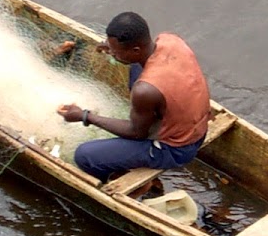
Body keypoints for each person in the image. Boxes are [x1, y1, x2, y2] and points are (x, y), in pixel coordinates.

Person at [58, 12, 211, 181]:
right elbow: (138, 61)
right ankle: (146, 117)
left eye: (115, 52)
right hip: (197, 126)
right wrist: (112, 48)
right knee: (136, 69)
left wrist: (85, 116)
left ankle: (112, 177)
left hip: (176, 149)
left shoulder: (144, 91)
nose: (112, 54)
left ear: (136, 49)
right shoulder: (170, 40)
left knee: (84, 155)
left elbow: (136, 133)